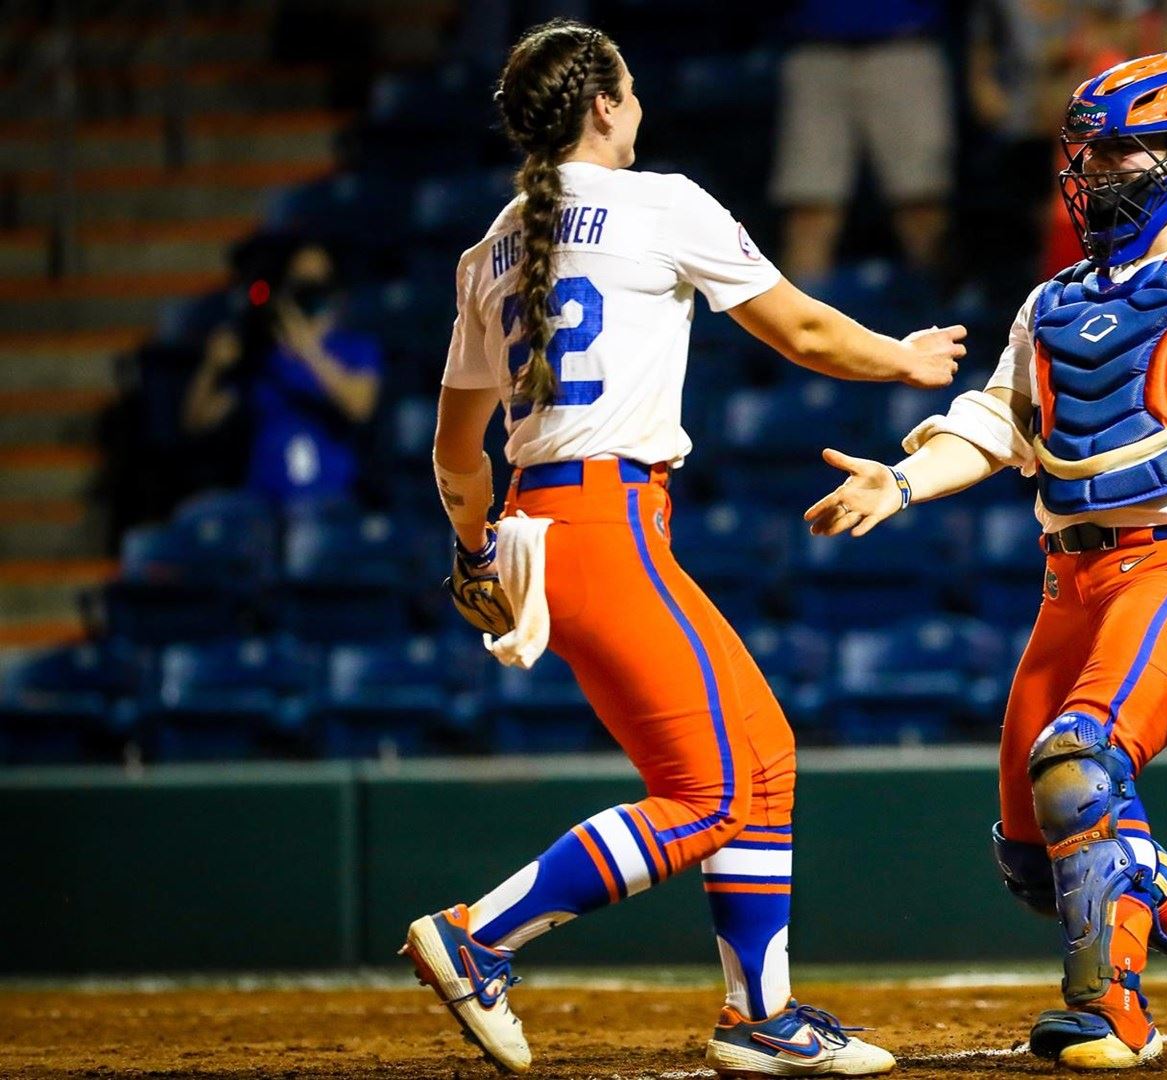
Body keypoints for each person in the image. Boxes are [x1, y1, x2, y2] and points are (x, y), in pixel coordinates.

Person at [401, 19, 965, 1077]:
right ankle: (481, 938)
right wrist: (901, 358)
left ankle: (762, 1013)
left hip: (546, 528)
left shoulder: (490, 246)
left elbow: (453, 450)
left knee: (759, 762)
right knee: (708, 794)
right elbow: (800, 332)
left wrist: (477, 553)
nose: (640, 101)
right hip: (606, 528)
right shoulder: (661, 203)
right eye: (631, 87)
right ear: (606, 105)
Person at [805, 53, 1167, 1069]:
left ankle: (1115, 1014)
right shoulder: (1054, 298)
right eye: (1086, 151)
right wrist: (904, 480)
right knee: (1031, 853)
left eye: (1120, 150)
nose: (1095, 170)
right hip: (1072, 580)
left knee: (1078, 766)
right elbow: (995, 424)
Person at [180, 242, 382, 505]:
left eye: (318, 284)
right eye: (299, 284)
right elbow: (196, 422)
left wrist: (309, 350)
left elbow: (360, 406)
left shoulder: (355, 348)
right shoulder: (263, 358)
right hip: (264, 504)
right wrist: (211, 368)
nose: (308, 293)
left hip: (330, 502)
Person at [771, 0, 953, 283]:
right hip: (815, 47)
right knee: (810, 208)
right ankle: (792, 324)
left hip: (904, 43)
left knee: (921, 204)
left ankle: (943, 314)